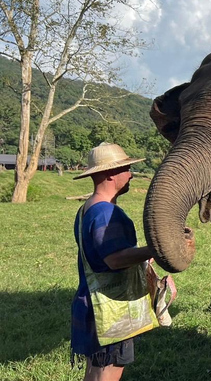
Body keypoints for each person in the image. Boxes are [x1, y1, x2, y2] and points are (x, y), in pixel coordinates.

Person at [71, 143, 154, 381]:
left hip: (92, 304)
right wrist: (154, 250)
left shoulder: (86, 210)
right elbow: (114, 259)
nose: (130, 174)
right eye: (126, 168)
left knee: (95, 373)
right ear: (110, 174)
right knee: (105, 374)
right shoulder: (107, 213)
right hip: (109, 311)